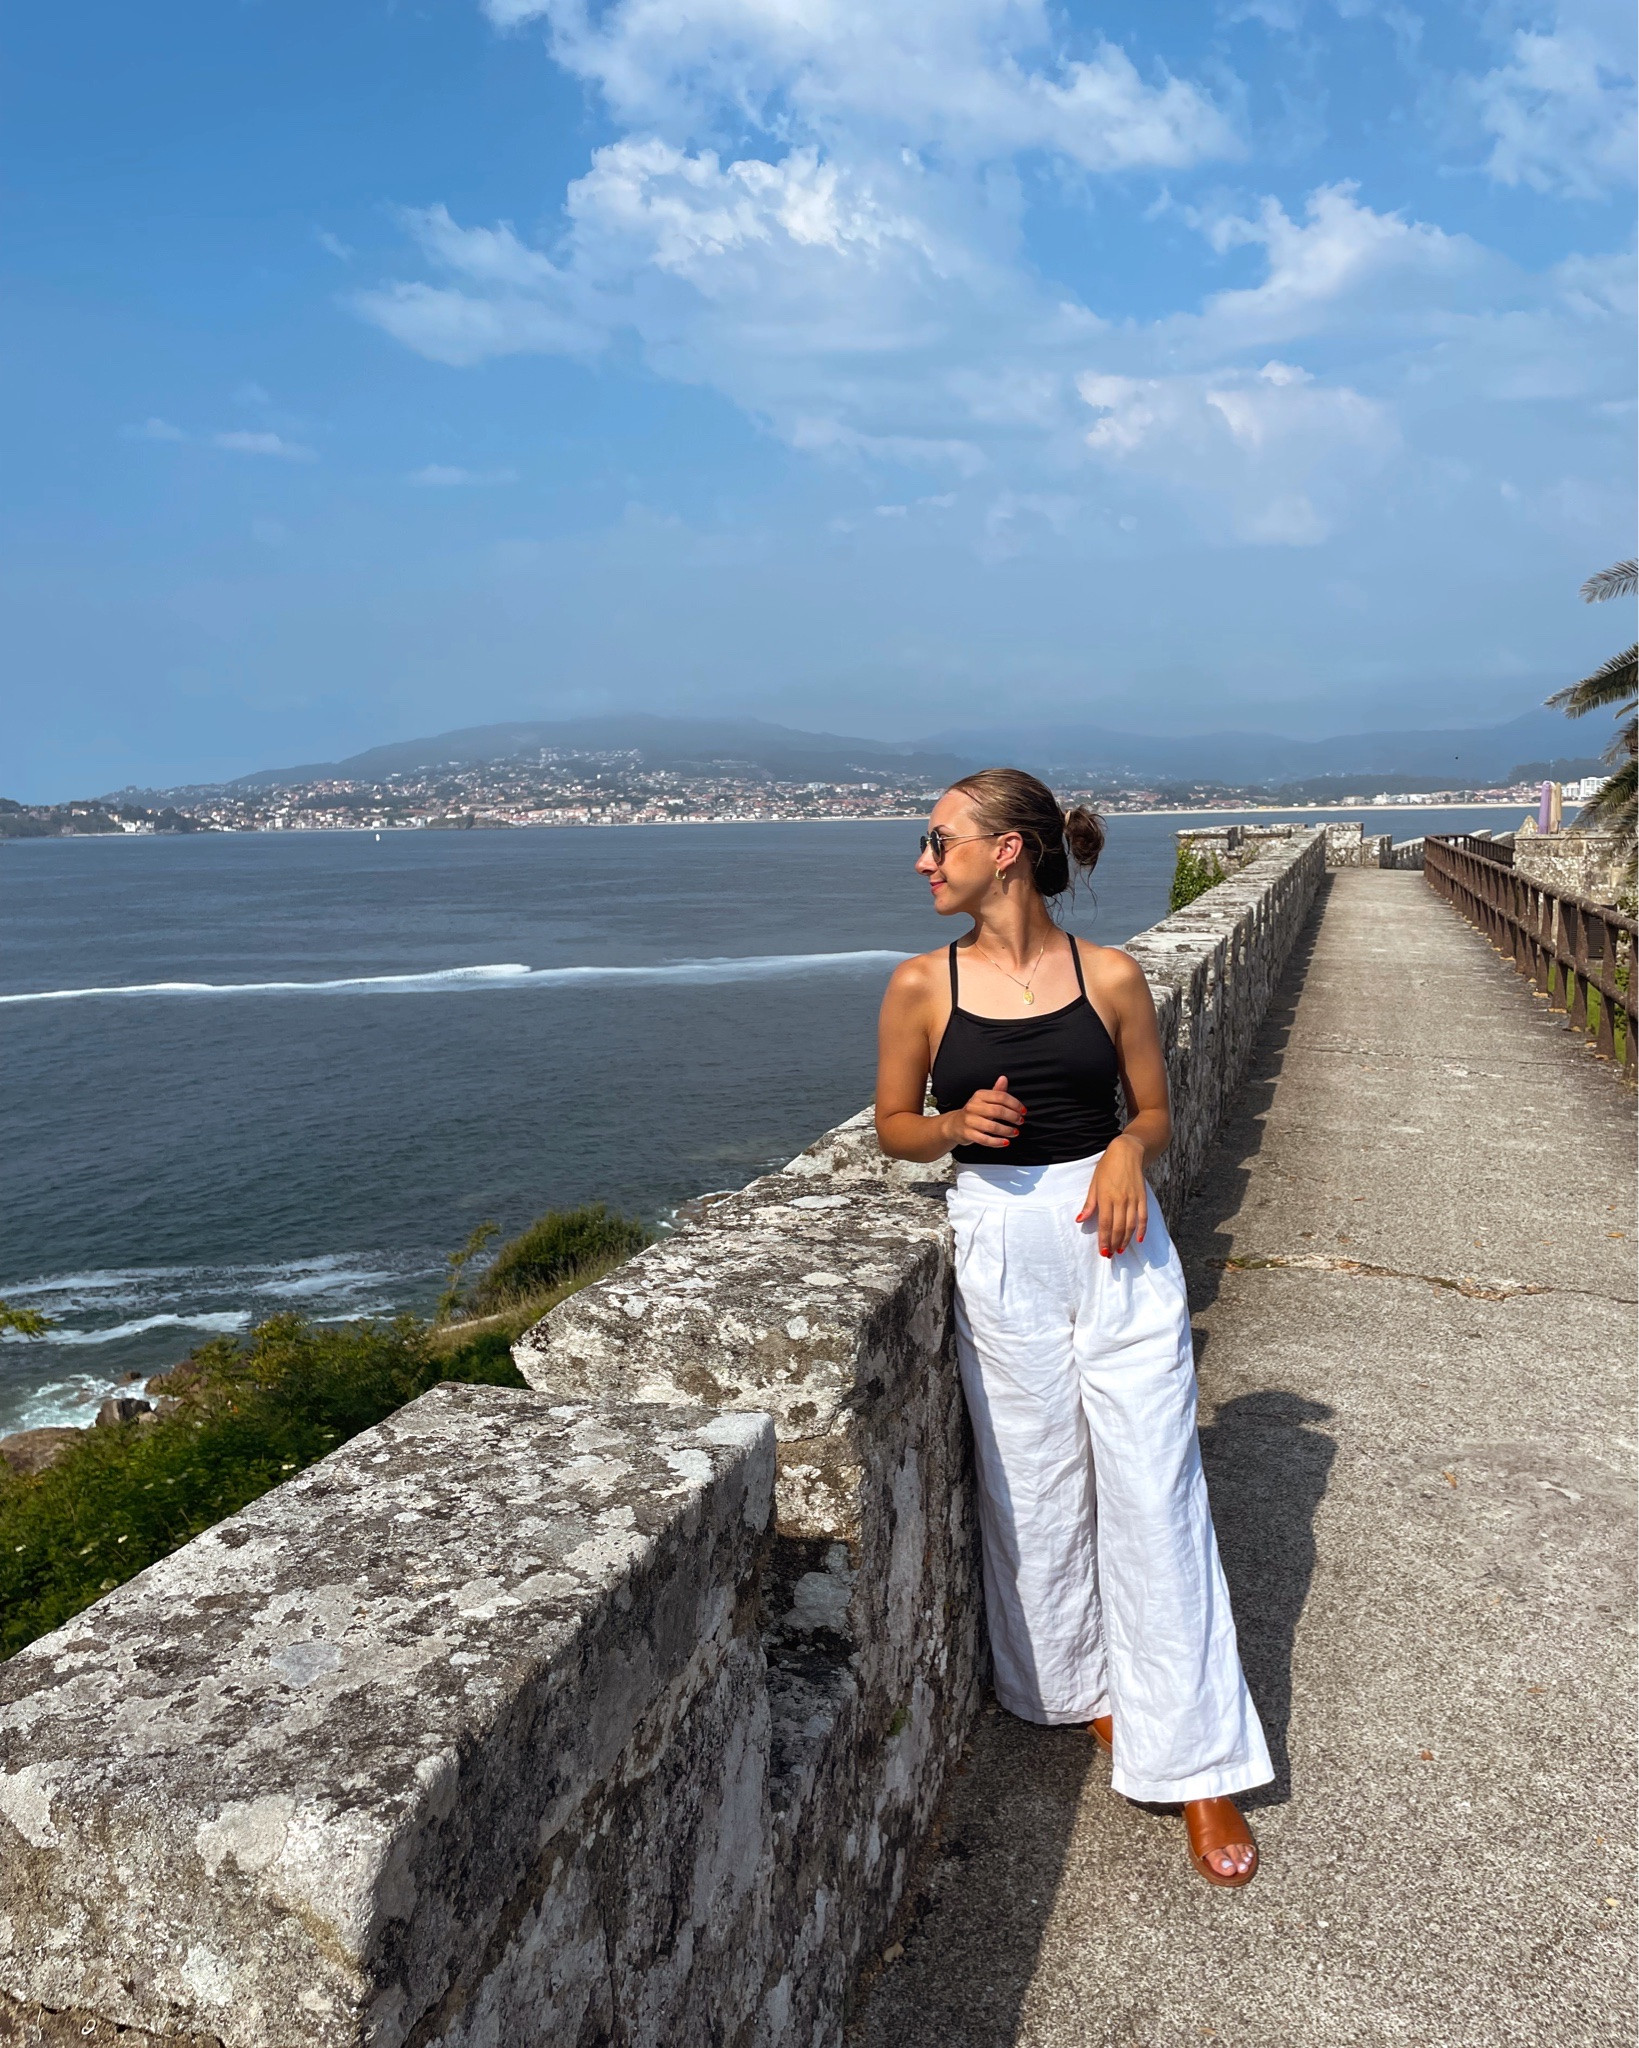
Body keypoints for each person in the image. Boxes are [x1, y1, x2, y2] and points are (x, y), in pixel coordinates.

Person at [873, 768, 1270, 1887]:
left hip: (1114, 1246)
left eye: (936, 837)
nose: (921, 858)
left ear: (1006, 849)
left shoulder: (1110, 976)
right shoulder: (919, 985)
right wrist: (950, 1122)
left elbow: (1152, 1108)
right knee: (1036, 1486)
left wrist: (1123, 1149)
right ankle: (1082, 1690)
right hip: (998, 1249)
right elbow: (893, 1127)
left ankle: (1196, 1759)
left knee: (1154, 1486)